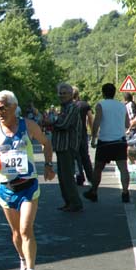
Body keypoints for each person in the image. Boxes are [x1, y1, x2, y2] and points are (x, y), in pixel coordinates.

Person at [0, 90, 55, 270]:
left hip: (28, 185)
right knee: (15, 233)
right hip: (5, 187)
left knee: (25, 229)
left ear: (13, 106)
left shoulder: (28, 126)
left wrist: (48, 165)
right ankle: (22, 260)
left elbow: (46, 143)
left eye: (2, 108)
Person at [83, 83, 131, 203]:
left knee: (98, 168)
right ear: (114, 93)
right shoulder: (122, 106)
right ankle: (125, 193)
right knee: (123, 168)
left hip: (105, 141)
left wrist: (93, 138)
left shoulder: (101, 105)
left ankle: (93, 192)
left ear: (103, 93)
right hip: (120, 141)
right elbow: (127, 124)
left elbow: (97, 122)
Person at [50, 83, 83, 212]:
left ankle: (75, 202)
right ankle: (68, 202)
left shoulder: (72, 108)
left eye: (65, 93)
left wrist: (51, 123)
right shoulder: (63, 108)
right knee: (62, 177)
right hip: (60, 146)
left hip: (68, 146)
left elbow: (63, 124)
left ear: (71, 94)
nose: (62, 95)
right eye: (60, 93)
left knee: (68, 176)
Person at [72, 87, 94, 186]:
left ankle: (79, 177)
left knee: (75, 157)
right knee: (85, 156)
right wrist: (93, 131)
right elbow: (90, 117)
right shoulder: (84, 105)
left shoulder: (69, 105)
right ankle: (91, 178)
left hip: (72, 134)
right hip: (83, 133)